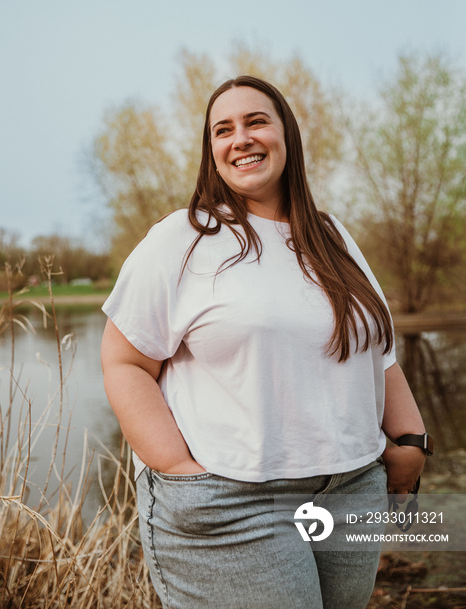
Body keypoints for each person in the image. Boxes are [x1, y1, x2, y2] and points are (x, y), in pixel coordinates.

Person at [101, 75, 430, 609]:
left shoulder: (333, 236)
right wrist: (181, 473)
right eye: (223, 130)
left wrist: (411, 441)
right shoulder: (182, 239)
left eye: (256, 121)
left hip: (351, 491)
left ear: (287, 135)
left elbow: (379, 349)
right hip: (234, 500)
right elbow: (123, 362)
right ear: (212, 152)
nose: (241, 138)